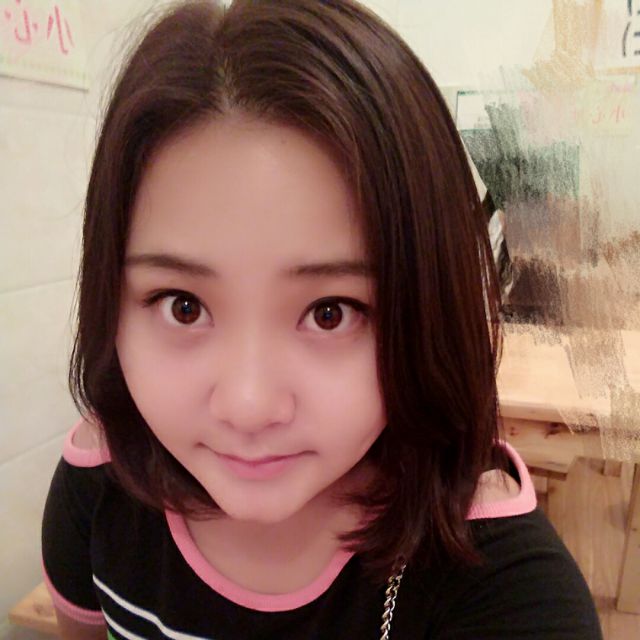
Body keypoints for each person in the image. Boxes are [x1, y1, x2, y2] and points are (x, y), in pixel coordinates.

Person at [41, 1, 602, 638]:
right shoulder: (100, 487)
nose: (249, 406)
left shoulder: (504, 590)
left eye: (330, 313)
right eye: (183, 306)